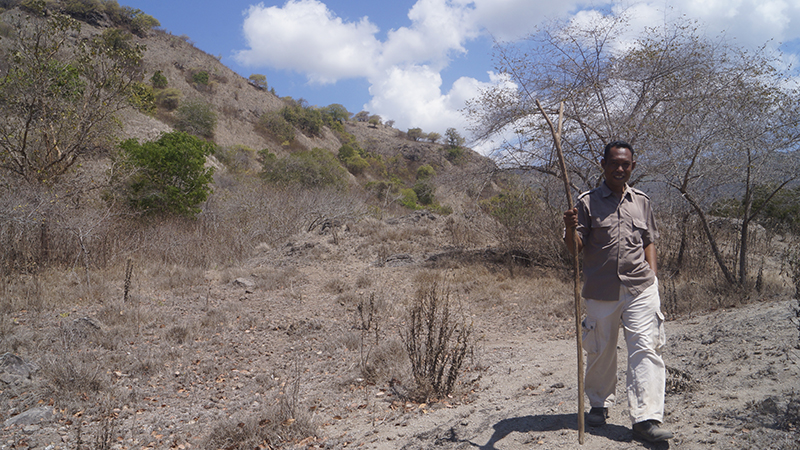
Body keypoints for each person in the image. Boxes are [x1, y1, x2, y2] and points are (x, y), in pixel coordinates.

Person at [563, 141, 673, 443]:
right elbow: (575, 249)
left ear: (633, 166)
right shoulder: (587, 202)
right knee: (601, 349)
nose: (620, 169)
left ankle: (646, 419)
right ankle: (599, 405)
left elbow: (649, 239)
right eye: (614, 163)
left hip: (641, 287)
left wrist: (653, 275)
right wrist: (570, 228)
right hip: (601, 290)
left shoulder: (642, 201)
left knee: (646, 348)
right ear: (603, 165)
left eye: (625, 164)